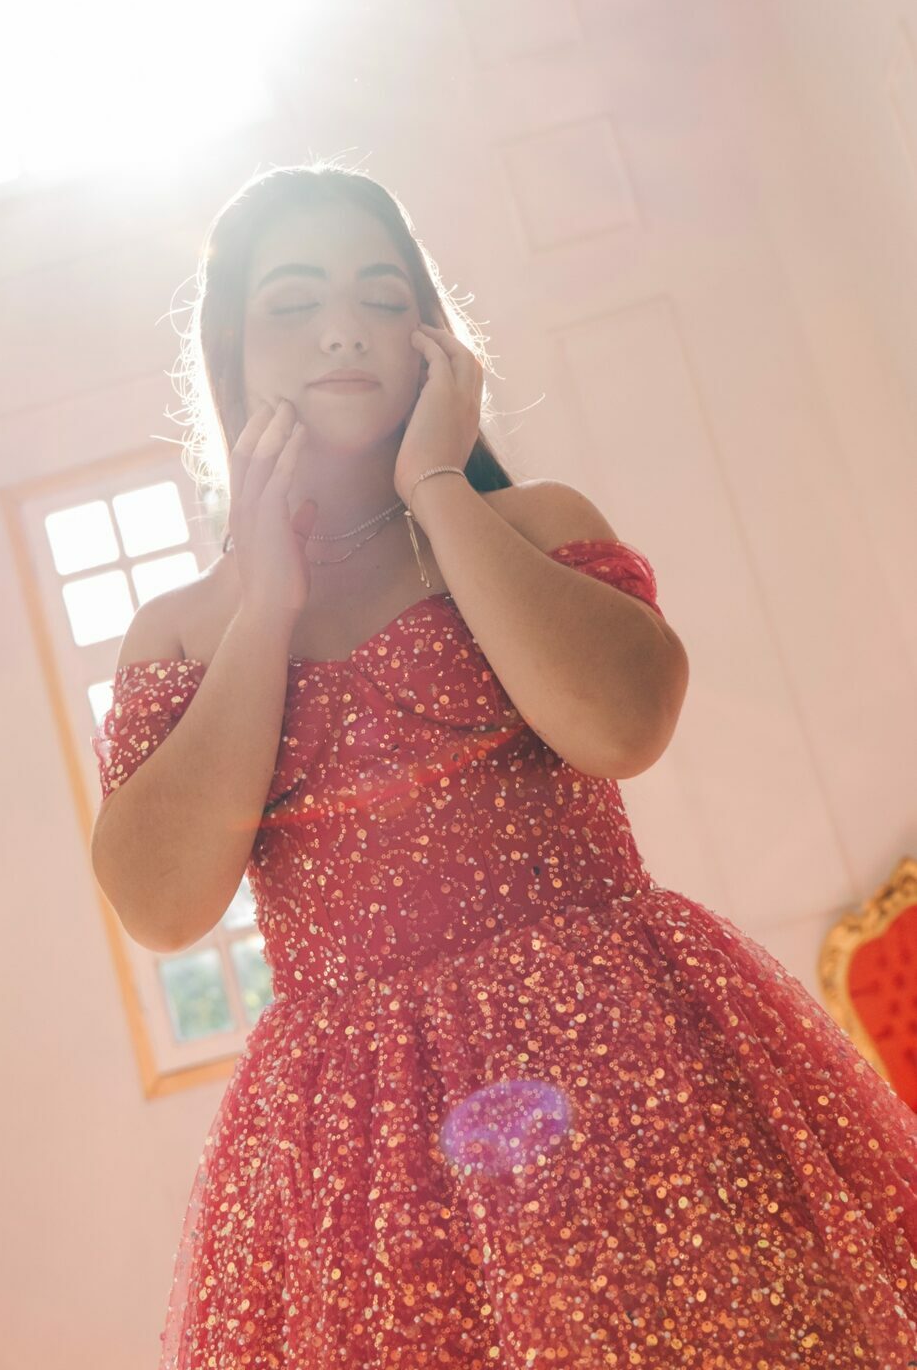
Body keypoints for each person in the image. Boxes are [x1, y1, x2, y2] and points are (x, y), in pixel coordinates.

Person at [91, 163, 917, 1368]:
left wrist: (436, 485)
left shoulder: (533, 526)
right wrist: (265, 601)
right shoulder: (181, 632)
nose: (342, 328)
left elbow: (622, 727)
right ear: (230, 350)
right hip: (367, 1155)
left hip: (627, 1068)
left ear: (432, 338)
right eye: (294, 301)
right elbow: (163, 905)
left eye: (382, 296)